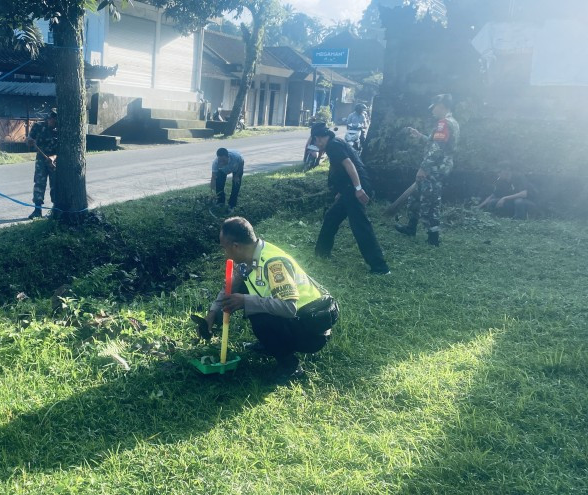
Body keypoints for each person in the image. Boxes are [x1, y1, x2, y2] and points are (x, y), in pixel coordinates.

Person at [197, 217, 338, 382]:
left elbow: (288, 308)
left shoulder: (274, 264)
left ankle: (290, 366)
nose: (225, 253)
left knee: (259, 316)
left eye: (225, 248)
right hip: (297, 319)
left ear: (236, 246)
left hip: (311, 328)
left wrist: (246, 301)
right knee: (248, 298)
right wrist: (213, 313)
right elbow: (230, 288)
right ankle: (271, 344)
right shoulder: (247, 260)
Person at [311, 123, 391, 275]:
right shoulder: (335, 143)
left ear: (319, 138)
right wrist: (341, 191)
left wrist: (358, 189)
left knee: (360, 226)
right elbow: (340, 170)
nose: (315, 144)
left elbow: (349, 165)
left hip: (354, 188)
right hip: (349, 189)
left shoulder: (334, 146)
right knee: (331, 217)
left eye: (315, 141)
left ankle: (380, 267)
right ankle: (321, 253)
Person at [396, 94, 460, 246]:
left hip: (434, 169)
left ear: (442, 106)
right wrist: (421, 136)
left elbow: (437, 149)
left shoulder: (444, 123)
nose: (432, 110)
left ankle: (433, 237)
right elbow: (436, 143)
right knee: (416, 196)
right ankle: (411, 227)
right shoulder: (451, 122)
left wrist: (423, 168)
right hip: (437, 167)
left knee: (431, 201)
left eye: (434, 106)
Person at [26, 109, 59, 219]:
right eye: (51, 120)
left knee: (55, 185)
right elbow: (29, 140)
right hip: (41, 160)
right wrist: (29, 140)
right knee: (39, 183)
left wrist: (53, 157)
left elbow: (62, 150)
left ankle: (56, 209)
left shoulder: (60, 130)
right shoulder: (38, 126)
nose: (52, 122)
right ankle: (37, 210)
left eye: (55, 121)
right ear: (48, 118)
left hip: (54, 162)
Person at [210, 148, 245, 212]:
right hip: (223, 170)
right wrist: (212, 191)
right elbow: (213, 177)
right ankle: (220, 202)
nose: (221, 162)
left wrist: (237, 175)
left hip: (236, 168)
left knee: (236, 185)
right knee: (219, 184)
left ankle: (232, 205)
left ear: (228, 157)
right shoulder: (216, 163)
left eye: (223, 160)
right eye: (220, 160)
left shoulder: (236, 157)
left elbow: (241, 163)